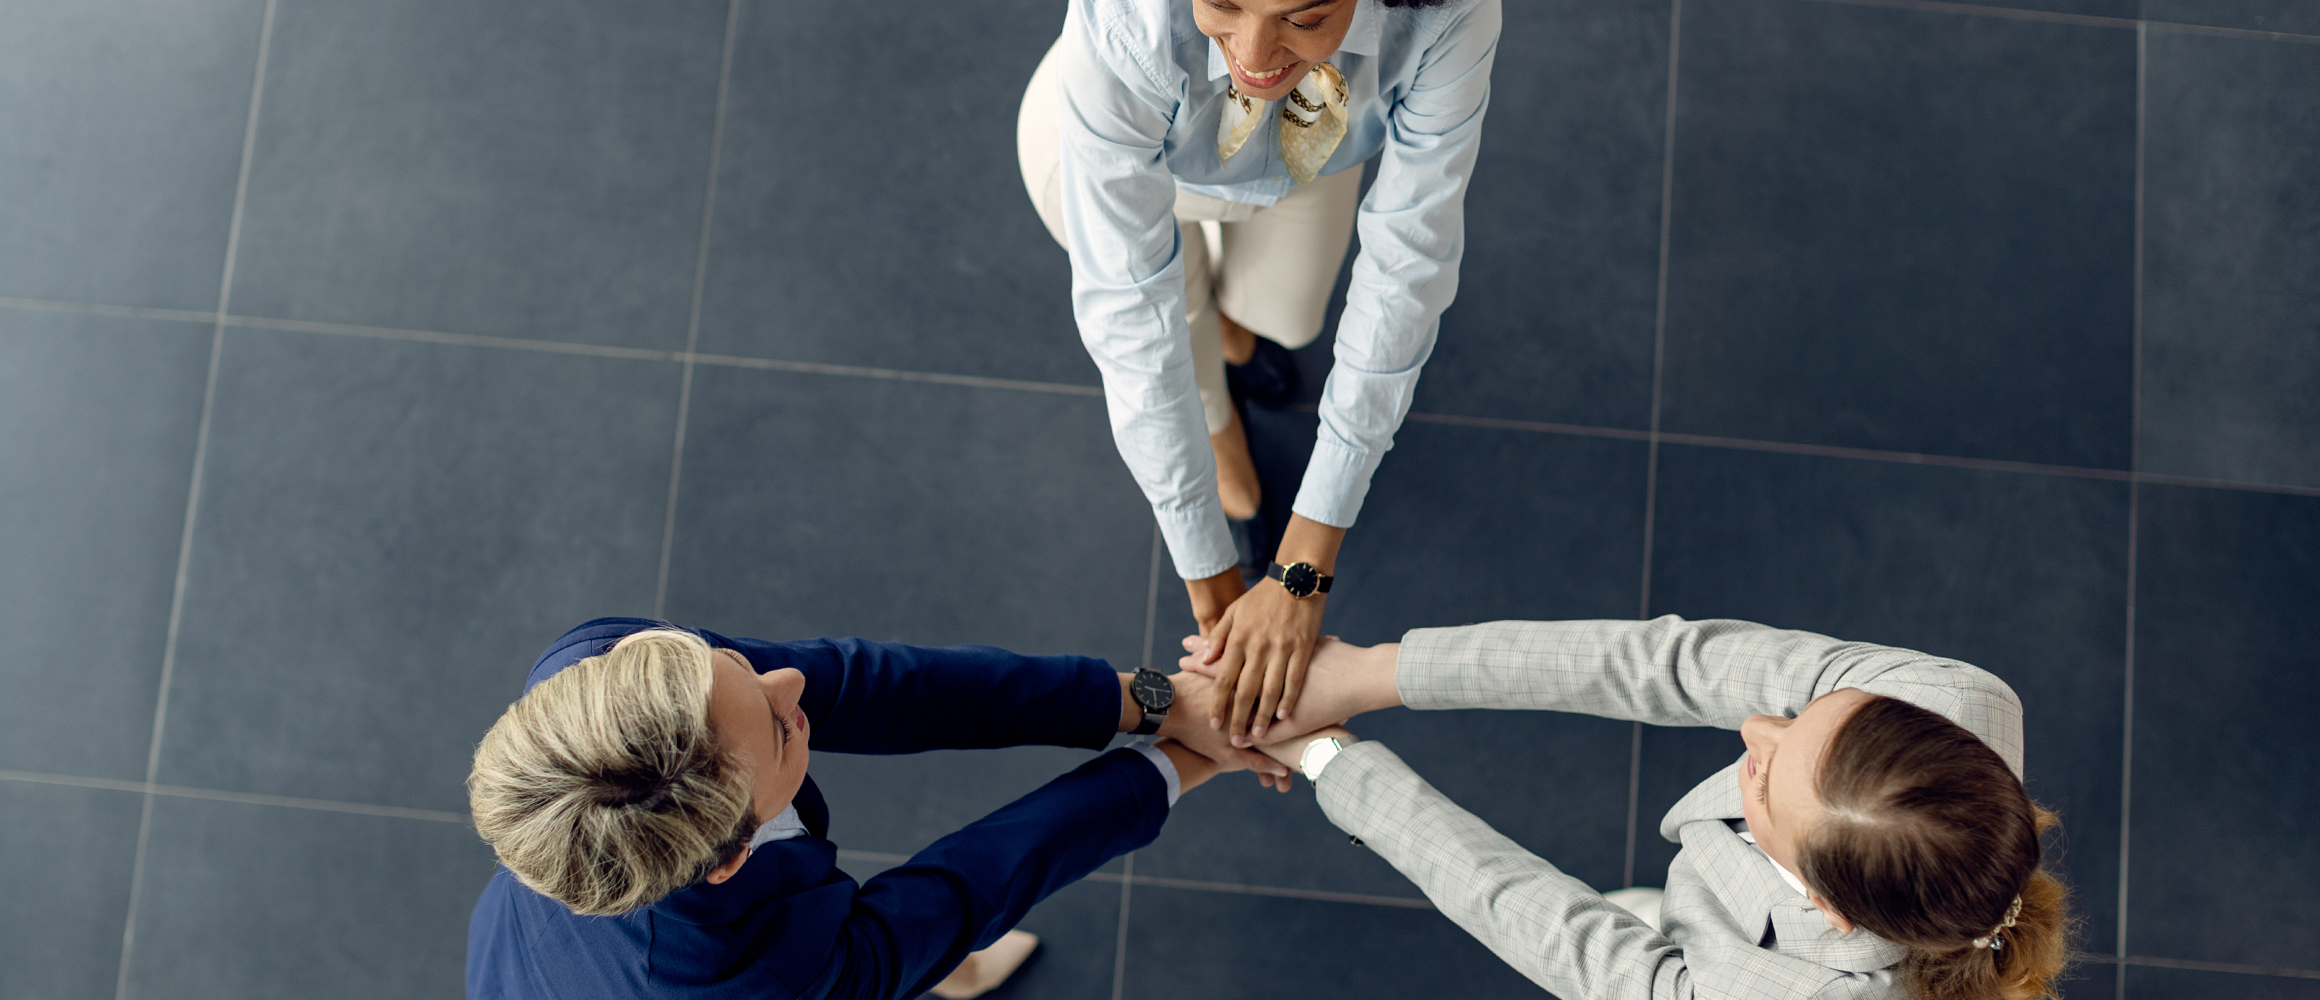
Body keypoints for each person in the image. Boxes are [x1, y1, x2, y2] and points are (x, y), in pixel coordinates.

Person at [1017, 0, 1500, 750]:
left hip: (1316, 141)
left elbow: (1408, 265)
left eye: (1302, 16)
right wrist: (1214, 589)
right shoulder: (1125, 20)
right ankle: (1221, 430)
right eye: (1222, 3)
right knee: (1174, 320)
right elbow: (1131, 311)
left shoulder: (1451, 13)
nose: (1251, 51)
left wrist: (1302, 568)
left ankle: (1225, 315)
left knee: (1290, 318)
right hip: (1130, 151)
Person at [1201, 616, 2076, 1000]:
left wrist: (1330, 758)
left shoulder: (1767, 996)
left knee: (1622, 930)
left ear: (1830, 909)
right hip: (1707, 937)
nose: (1754, 726)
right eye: (1808, 713)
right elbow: (1665, 663)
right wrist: (1373, 674)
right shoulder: (1948, 699)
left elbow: (1551, 928)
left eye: (1765, 775)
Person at [463, 618, 1285, 1000]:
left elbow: (869, 685)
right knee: (897, 950)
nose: (789, 683)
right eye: (782, 733)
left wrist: (1152, 703)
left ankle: (932, 970)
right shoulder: (766, 979)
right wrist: (1182, 761)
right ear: (731, 857)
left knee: (895, 952)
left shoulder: (606, 674)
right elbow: (969, 888)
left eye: (735, 665)